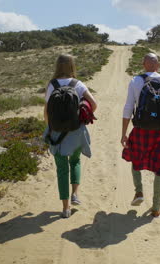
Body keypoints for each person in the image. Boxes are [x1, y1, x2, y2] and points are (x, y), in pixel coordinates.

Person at [121, 53, 160, 218]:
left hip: (141, 129)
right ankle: (156, 208)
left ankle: (138, 191)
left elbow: (128, 108)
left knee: (135, 157)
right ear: (158, 65)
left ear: (143, 64)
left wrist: (123, 133)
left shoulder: (136, 81)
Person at [44, 54, 97, 218]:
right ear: (72, 66)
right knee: (75, 161)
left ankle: (65, 208)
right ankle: (75, 194)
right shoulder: (78, 84)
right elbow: (94, 105)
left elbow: (46, 112)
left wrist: (50, 127)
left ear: (57, 66)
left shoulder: (51, 85)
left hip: (56, 131)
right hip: (75, 130)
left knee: (61, 169)